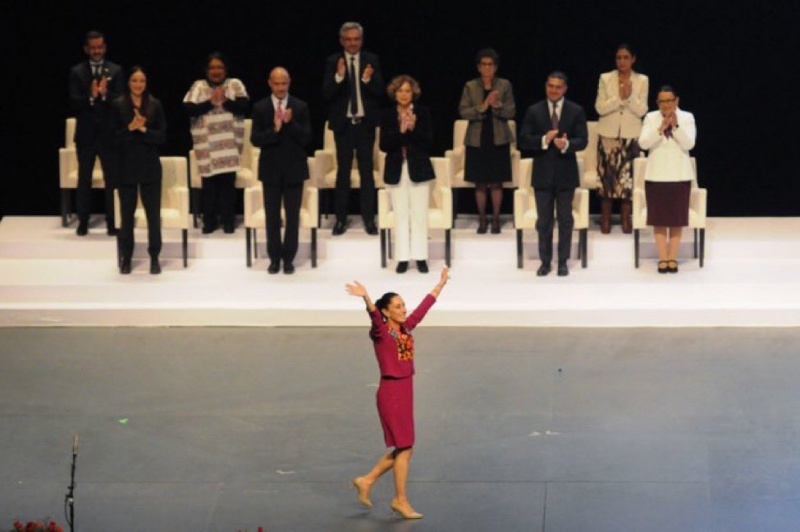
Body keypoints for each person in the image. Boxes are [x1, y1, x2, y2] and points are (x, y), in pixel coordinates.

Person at [345, 266, 449, 520]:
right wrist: (367, 299)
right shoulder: (381, 333)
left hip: (405, 391)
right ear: (386, 311)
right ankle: (399, 499)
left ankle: (367, 481)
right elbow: (373, 318)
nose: (404, 310)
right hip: (391, 393)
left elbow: (423, 310)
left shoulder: (405, 329)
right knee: (405, 447)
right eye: (398, 306)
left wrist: (441, 284)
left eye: (404, 305)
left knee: (405, 447)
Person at [519, 71, 588, 277]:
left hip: (566, 174)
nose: (554, 90)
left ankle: (563, 262)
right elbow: (523, 140)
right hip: (542, 174)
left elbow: (583, 140)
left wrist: (567, 144)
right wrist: (543, 140)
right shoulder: (534, 110)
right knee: (544, 221)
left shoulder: (576, 110)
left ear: (565, 89)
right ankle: (545, 262)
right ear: (546, 86)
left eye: (558, 87)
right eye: (551, 86)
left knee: (565, 219)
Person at [323, 22, 385, 236]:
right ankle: (340, 219)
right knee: (343, 173)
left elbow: (380, 92)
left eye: (356, 39)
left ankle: (369, 219)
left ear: (361, 40)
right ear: (342, 41)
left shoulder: (371, 60)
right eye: (348, 39)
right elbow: (327, 93)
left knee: (367, 173)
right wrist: (339, 77)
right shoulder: (333, 61)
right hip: (344, 126)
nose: (352, 43)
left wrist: (367, 79)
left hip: (365, 125)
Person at [250, 67, 312, 275]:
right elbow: (255, 139)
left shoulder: (300, 106)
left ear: (289, 82)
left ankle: (288, 259)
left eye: (283, 83)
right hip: (270, 170)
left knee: (292, 217)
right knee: (272, 217)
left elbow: (307, 138)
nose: (280, 88)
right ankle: (274, 258)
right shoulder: (260, 108)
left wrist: (290, 123)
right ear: (269, 83)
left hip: (294, 169)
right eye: (276, 83)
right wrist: (275, 129)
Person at [183, 52, 250, 234]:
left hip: (229, 146)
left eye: (219, 67)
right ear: (206, 70)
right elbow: (189, 109)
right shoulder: (199, 86)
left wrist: (225, 100)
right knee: (210, 187)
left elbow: (244, 107)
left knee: (228, 186)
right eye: (212, 67)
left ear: (226, 69)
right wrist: (210, 102)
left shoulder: (234, 84)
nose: (216, 71)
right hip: (207, 147)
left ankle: (228, 221)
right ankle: (210, 222)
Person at [68, 30, 124, 236]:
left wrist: (105, 94)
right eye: (93, 48)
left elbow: (121, 101)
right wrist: (91, 97)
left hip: (109, 135)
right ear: (86, 49)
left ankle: (112, 221)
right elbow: (73, 101)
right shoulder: (76, 72)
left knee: (112, 180)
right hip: (86, 135)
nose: (97, 51)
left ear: (105, 47)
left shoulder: (116, 70)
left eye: (100, 47)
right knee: (84, 179)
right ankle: (83, 220)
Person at [113, 66, 167, 275]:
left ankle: (154, 256)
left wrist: (143, 129)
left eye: (142, 81)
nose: (138, 85)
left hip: (149, 167)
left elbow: (162, 136)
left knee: (153, 215)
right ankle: (127, 257)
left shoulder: (155, 105)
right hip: (125, 167)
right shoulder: (118, 105)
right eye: (135, 80)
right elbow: (112, 138)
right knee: (127, 217)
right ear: (129, 82)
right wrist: (130, 128)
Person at [638, 85, 696, 274]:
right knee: (660, 219)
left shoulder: (687, 117)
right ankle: (663, 258)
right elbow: (643, 143)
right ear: (657, 103)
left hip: (679, 174)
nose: (665, 104)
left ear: (676, 101)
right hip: (657, 175)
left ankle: (673, 257)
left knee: (676, 219)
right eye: (661, 101)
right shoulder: (650, 117)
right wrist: (660, 129)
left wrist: (676, 126)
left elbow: (689, 143)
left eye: (669, 100)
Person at [380, 75, 435, 274]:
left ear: (414, 93)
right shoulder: (387, 115)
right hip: (396, 169)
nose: (404, 95)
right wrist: (401, 131)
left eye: (407, 91)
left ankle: (420, 257)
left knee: (419, 215)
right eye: (400, 91)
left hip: (418, 168)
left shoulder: (423, 112)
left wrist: (412, 129)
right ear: (395, 93)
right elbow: (384, 145)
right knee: (401, 215)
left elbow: (428, 142)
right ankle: (403, 257)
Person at [458, 48, 516, 234]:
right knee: (480, 182)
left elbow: (512, 111)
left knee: (497, 182)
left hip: (498, 137)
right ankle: (482, 219)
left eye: (490, 64)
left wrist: (497, 105)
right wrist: (482, 107)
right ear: (478, 67)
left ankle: (496, 219)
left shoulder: (504, 85)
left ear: (496, 67)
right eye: (483, 64)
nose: (487, 67)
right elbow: (463, 111)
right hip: (477, 138)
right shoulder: (471, 86)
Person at [594, 44, 649, 233]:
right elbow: (600, 108)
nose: (622, 61)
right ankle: (606, 219)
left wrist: (629, 97)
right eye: (619, 58)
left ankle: (626, 218)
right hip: (608, 133)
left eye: (626, 57)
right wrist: (619, 97)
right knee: (607, 177)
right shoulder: (605, 78)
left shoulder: (642, 80)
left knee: (628, 179)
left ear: (633, 59)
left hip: (631, 134)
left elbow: (642, 110)